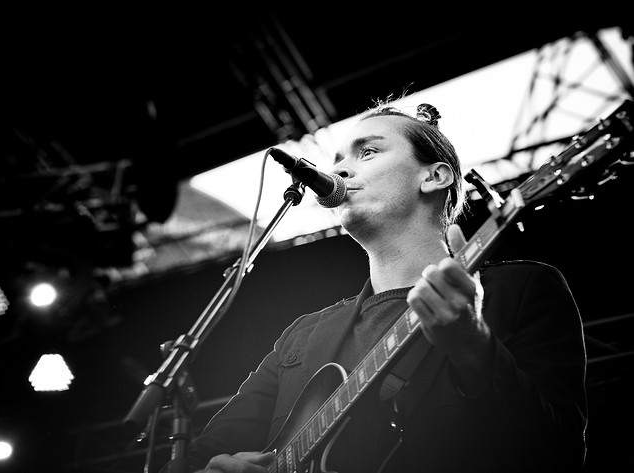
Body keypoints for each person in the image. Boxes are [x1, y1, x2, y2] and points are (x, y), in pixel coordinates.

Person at [167, 98, 588, 472]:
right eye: (336, 160)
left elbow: (556, 454)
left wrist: (473, 345)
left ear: (435, 177)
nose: (339, 169)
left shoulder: (521, 291)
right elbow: (201, 458)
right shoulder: (301, 337)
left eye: (368, 151)